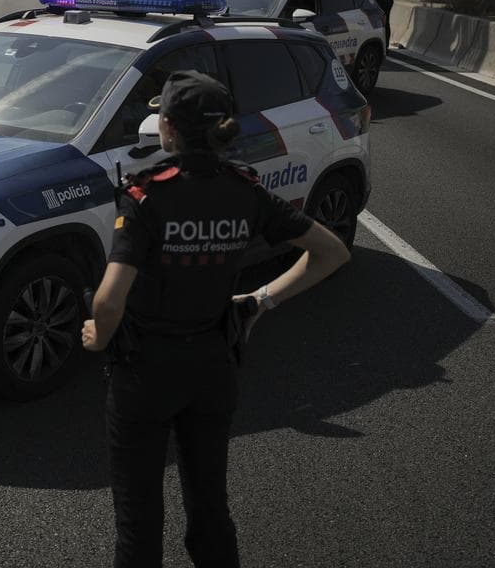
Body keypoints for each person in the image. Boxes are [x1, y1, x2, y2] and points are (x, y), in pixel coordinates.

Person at [81, 70, 350, 568]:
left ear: (167, 131)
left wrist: (98, 337)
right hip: (211, 365)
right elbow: (332, 252)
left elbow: (108, 300)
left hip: (145, 372)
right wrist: (260, 301)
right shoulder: (245, 191)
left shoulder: (146, 197)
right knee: (209, 508)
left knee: (138, 520)